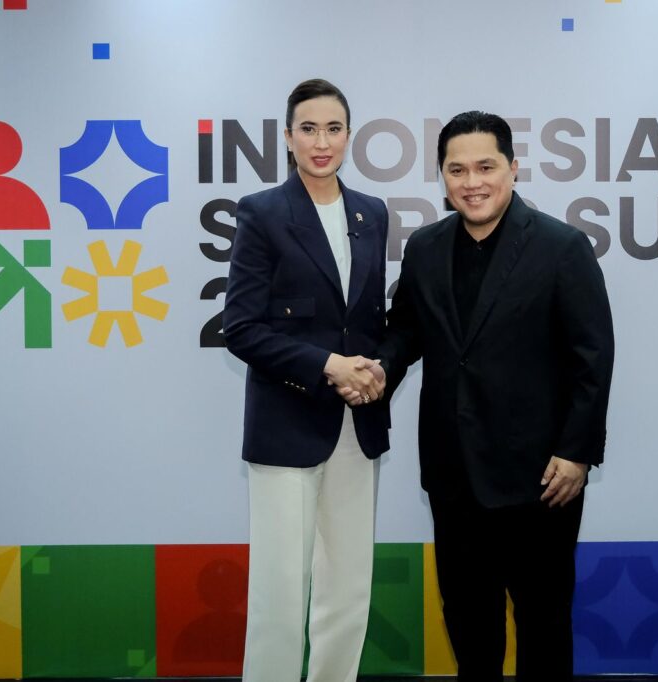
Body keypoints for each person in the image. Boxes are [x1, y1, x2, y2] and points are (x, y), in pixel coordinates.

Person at [341, 110, 614, 682]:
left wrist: (577, 452)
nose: (472, 182)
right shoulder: (426, 247)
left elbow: (593, 357)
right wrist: (378, 370)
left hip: (542, 479)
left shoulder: (562, 247)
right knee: (469, 626)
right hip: (454, 475)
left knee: (543, 624)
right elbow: (407, 329)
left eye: (486, 167)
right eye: (457, 169)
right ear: (442, 176)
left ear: (513, 168)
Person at [223, 78, 388, 682]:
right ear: (288, 137)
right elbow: (241, 328)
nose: (322, 142)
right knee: (281, 591)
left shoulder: (373, 213)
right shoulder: (263, 212)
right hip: (287, 421)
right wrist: (328, 366)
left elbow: (368, 320)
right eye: (309, 129)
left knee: (349, 588)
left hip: (357, 423)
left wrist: (372, 370)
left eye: (334, 129)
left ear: (350, 135)